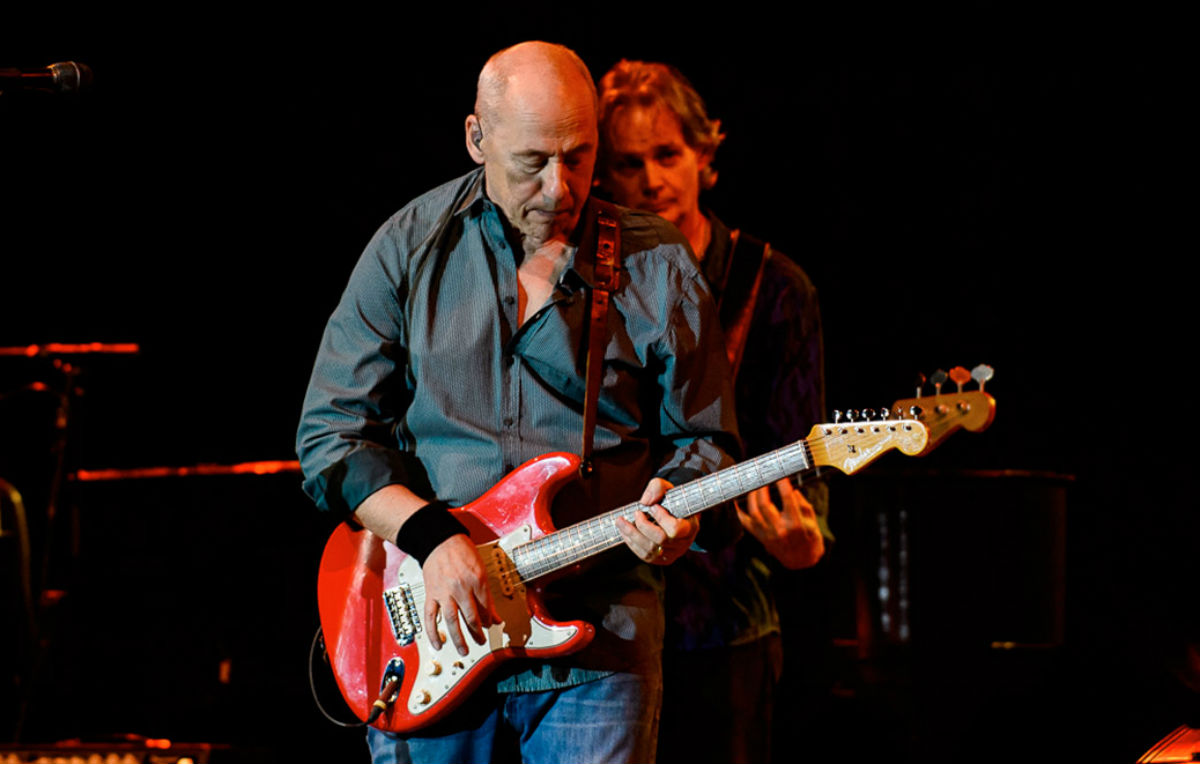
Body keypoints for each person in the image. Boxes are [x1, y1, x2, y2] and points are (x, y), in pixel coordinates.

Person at [296, 42, 739, 764]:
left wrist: (681, 513)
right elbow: (330, 437)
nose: (560, 188)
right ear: (477, 138)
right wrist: (433, 538)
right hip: (432, 630)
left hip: (600, 641)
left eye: (579, 157)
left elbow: (707, 442)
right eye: (532, 162)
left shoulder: (655, 260)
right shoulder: (408, 246)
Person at [596, 59, 832, 764]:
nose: (652, 180)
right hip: (602, 622)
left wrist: (804, 537)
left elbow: (801, 457)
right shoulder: (589, 282)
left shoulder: (775, 287)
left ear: (705, 156)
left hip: (721, 625)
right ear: (603, 176)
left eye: (668, 154)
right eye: (629, 163)